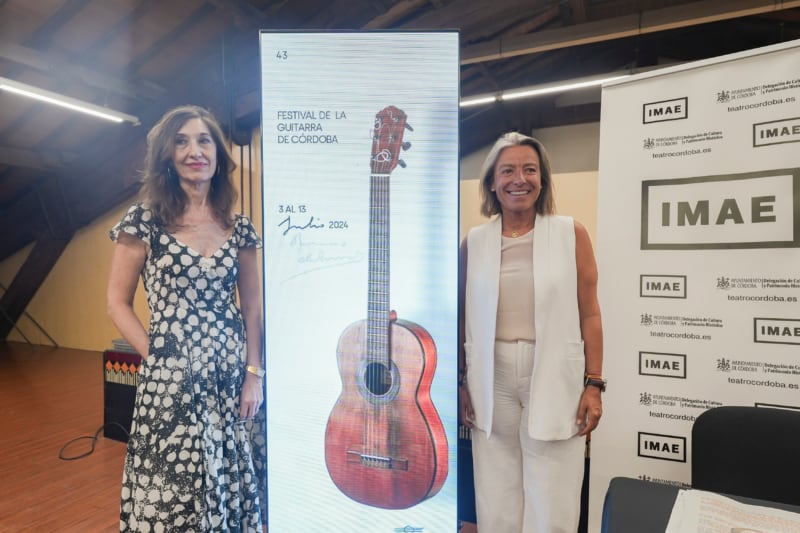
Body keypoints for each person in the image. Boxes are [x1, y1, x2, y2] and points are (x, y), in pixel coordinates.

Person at [107, 105, 267, 532]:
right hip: (171, 377)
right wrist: (156, 355)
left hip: (230, 374)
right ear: (166, 155)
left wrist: (254, 374)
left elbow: (252, 308)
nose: (194, 150)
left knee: (227, 469)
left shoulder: (240, 228)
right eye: (181, 141)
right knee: (173, 480)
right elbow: (116, 302)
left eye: (204, 140)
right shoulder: (144, 221)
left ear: (218, 153)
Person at [458, 132, 604, 532]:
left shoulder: (569, 233)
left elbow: (590, 312)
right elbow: (460, 316)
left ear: (543, 180)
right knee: (496, 487)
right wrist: (460, 381)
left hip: (554, 369)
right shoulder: (475, 242)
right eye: (507, 170)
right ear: (491, 181)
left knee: (552, 487)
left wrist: (594, 383)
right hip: (492, 374)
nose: (518, 179)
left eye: (529, 169)